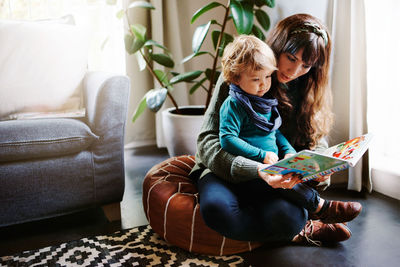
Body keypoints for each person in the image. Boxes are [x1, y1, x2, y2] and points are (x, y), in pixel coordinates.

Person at [190, 14, 362, 246]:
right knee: (216, 211)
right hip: (226, 171)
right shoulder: (241, 71)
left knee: (287, 218)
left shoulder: (309, 86)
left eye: (306, 64)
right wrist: (257, 167)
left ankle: (295, 226)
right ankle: (305, 230)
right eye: (290, 57)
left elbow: (314, 142)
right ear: (277, 46)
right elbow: (208, 141)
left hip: (277, 180)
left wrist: (319, 170)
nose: (294, 70)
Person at [219, 35, 296, 164]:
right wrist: (261, 155)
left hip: (270, 167)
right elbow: (227, 139)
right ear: (236, 78)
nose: (264, 84)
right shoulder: (234, 104)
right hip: (248, 169)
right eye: (256, 79)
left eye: (268, 76)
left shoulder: (265, 101)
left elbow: (273, 131)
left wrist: (289, 151)